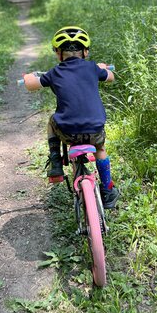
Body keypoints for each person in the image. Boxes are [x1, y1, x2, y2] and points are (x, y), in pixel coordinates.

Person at [23, 26, 120, 209]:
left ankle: (56, 161)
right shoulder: (92, 68)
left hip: (67, 132)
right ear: (85, 52)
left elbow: (31, 85)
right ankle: (107, 190)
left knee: (52, 120)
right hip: (95, 131)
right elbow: (111, 77)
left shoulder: (54, 73)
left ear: (59, 54)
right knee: (100, 149)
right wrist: (102, 68)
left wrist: (28, 76)